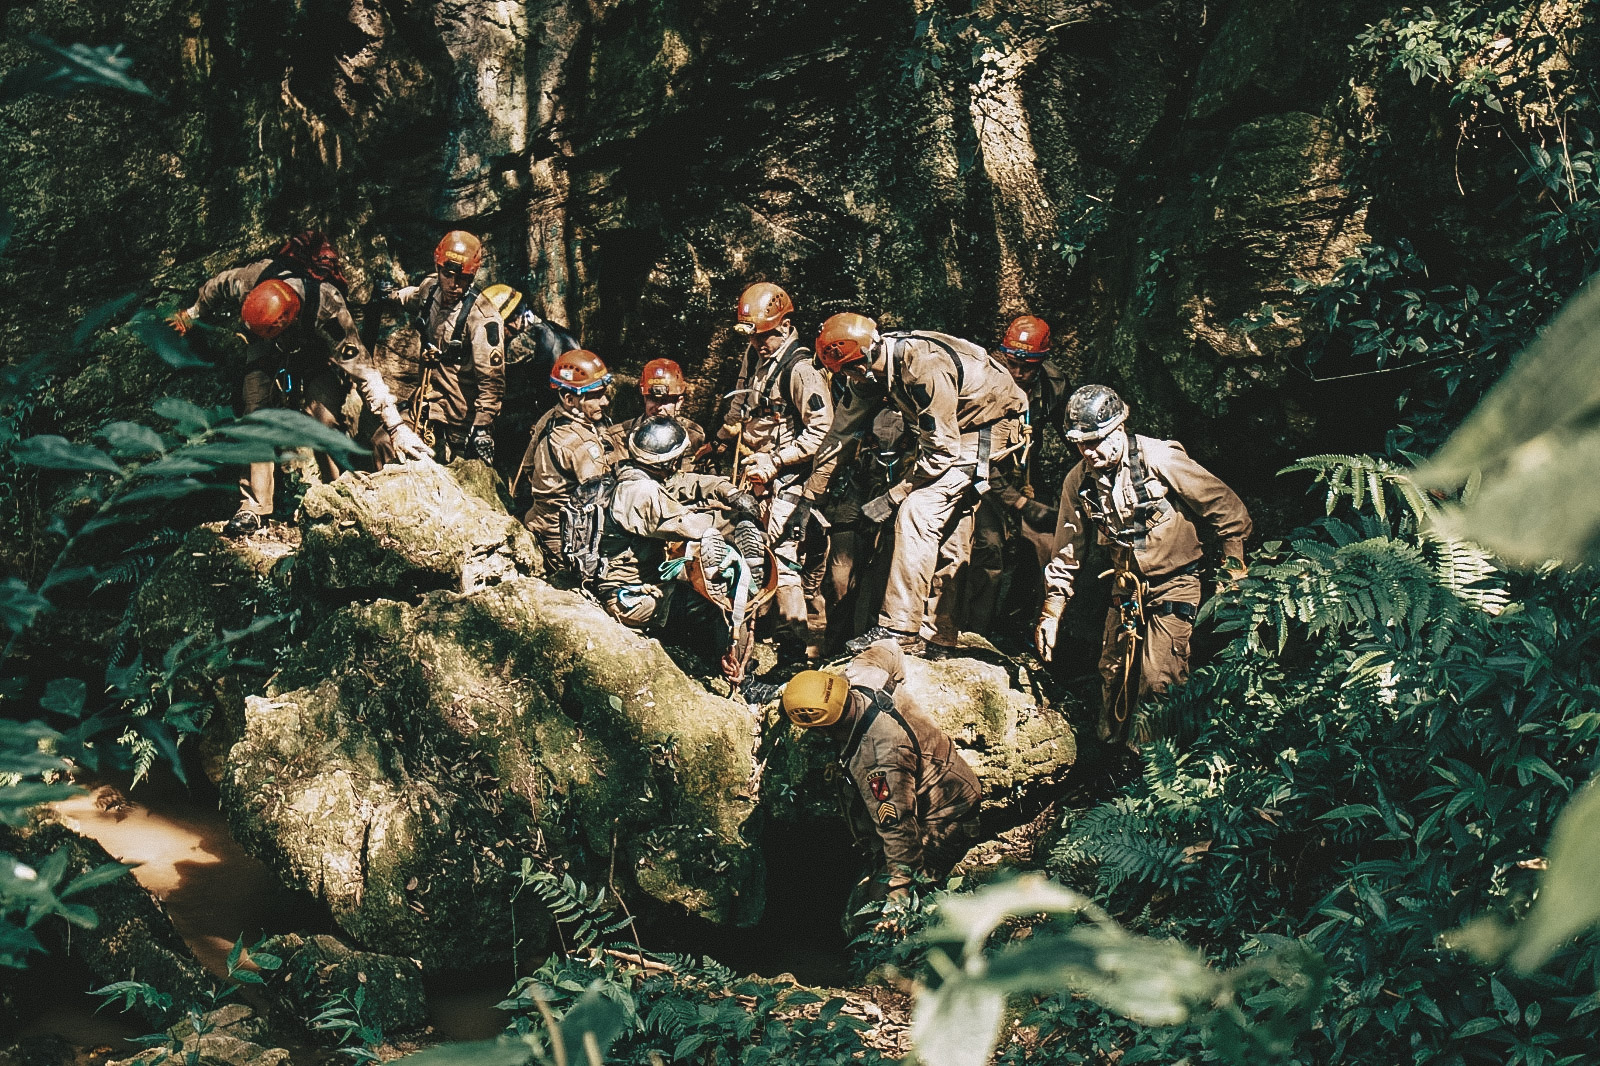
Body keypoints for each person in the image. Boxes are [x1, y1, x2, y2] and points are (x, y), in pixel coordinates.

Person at [1033, 385, 1252, 748]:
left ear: (1118, 428)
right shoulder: (1080, 481)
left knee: (1159, 681)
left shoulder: (1161, 459)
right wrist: (1051, 610)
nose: (1088, 451)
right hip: (1126, 588)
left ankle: (1153, 772)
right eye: (1079, 443)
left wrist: (1234, 570)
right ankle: (1111, 758)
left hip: (1176, 583)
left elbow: (1228, 511)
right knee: (1113, 673)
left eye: (1095, 441)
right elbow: (1068, 548)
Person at [169, 230, 427, 536]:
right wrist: (190, 314)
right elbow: (216, 286)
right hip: (264, 342)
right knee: (256, 414)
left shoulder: (328, 307)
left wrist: (396, 427)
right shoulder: (251, 278)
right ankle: (253, 506)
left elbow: (364, 372)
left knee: (322, 419)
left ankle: (339, 493)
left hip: (314, 349)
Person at [806, 313, 1028, 657]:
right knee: (951, 530)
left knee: (918, 512)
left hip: (988, 428)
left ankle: (899, 629)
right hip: (954, 429)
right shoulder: (870, 368)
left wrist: (894, 495)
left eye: (847, 371)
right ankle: (940, 636)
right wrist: (811, 496)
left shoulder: (925, 367)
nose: (846, 378)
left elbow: (941, 452)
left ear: (862, 361)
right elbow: (842, 433)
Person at [780, 640, 982, 909]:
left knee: (862, 914)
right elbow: (890, 646)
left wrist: (897, 891)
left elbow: (899, 828)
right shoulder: (862, 674)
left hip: (944, 820)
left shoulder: (877, 760)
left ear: (822, 730)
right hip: (946, 781)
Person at [705, 283, 834, 657]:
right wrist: (721, 440)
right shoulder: (756, 355)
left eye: (765, 336)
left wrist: (776, 461)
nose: (759, 344)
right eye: (754, 336)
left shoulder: (801, 369)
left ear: (785, 325)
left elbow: (822, 430)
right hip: (754, 472)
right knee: (751, 549)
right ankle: (760, 641)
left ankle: (797, 651)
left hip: (789, 479)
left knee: (785, 559)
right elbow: (741, 402)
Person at [598, 416, 762, 684]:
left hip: (618, 584)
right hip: (630, 600)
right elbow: (693, 526)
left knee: (691, 587)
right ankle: (742, 682)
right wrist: (734, 525)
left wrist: (726, 491)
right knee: (715, 605)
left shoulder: (627, 474)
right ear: (668, 461)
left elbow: (683, 483)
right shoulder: (643, 494)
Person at [966, 315, 1067, 637]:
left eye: (1029, 366)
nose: (1019, 374)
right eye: (1013, 364)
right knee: (989, 548)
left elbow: (1073, 432)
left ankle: (1020, 625)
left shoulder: (1052, 383)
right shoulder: (980, 381)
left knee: (1048, 545)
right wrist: (1021, 504)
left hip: (1022, 472)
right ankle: (975, 634)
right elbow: (975, 457)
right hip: (979, 475)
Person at [374, 230, 506, 467]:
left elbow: (492, 381)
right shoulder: (430, 289)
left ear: (472, 276)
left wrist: (483, 427)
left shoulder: (483, 318)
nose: (454, 284)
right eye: (447, 274)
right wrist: (390, 295)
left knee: (459, 474)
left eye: (463, 278)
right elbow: (413, 297)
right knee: (384, 442)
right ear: (438, 268)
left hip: (460, 415)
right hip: (425, 402)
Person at [513, 348, 616, 568]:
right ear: (570, 399)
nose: (605, 401)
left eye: (604, 393)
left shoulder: (550, 418)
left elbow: (529, 467)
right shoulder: (578, 444)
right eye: (596, 396)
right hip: (563, 540)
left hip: (540, 522)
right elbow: (606, 500)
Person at [605, 358, 706, 471]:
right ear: (644, 399)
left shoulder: (693, 436)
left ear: (679, 402)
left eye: (665, 400)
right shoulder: (619, 436)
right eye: (652, 399)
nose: (658, 407)